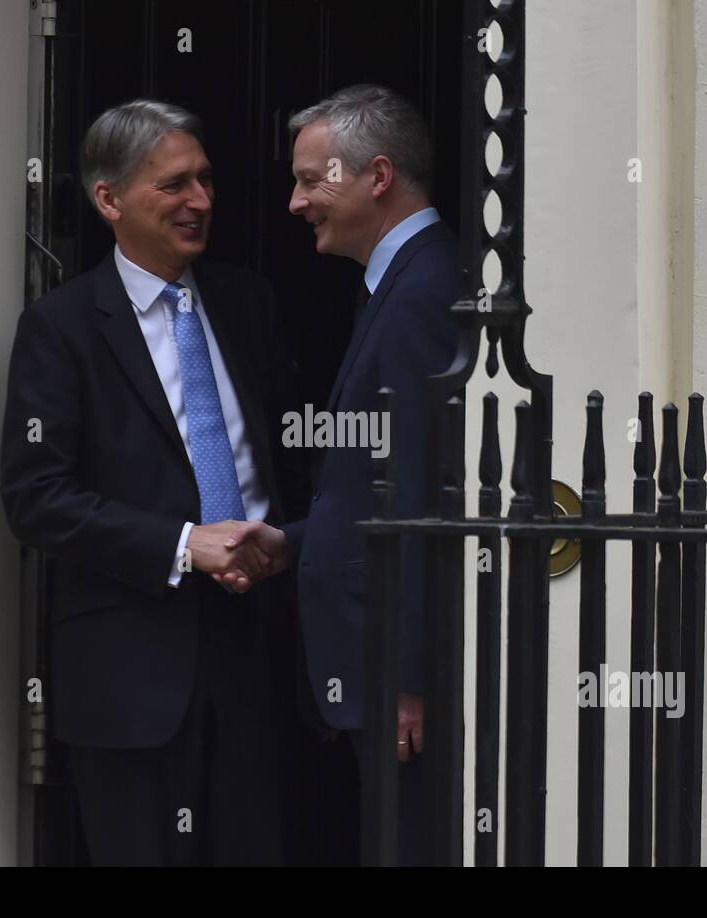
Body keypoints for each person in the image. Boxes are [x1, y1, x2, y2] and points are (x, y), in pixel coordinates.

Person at [0, 99, 303, 865]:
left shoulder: (248, 302)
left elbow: (292, 460)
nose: (199, 201)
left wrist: (286, 543)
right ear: (109, 200)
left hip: (253, 653)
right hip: (131, 673)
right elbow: (35, 498)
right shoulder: (61, 328)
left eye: (205, 180)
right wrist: (182, 544)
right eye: (174, 185)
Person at [226, 84, 462, 864]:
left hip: (389, 675)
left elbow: (428, 491)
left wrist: (409, 675)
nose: (295, 203)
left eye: (309, 180)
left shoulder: (427, 288)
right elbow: (378, 483)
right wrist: (297, 541)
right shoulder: (397, 283)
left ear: (379, 176)